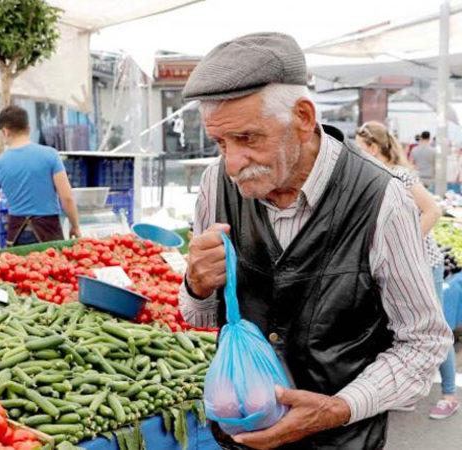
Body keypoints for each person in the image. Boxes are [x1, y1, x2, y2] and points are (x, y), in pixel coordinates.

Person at [178, 32, 452, 449]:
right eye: (220, 142)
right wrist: (196, 285)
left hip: (340, 440)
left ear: (303, 117)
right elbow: (199, 318)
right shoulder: (215, 184)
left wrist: (339, 407)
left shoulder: (381, 198)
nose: (232, 163)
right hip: (241, 437)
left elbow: (424, 342)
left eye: (248, 138)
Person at [355, 122, 458, 420]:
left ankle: (450, 393)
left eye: (361, 150)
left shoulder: (399, 175)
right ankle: (409, 392)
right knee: (401, 326)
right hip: (398, 266)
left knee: (433, 326)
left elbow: (434, 211)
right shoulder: (372, 178)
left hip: (426, 263)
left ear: (374, 148)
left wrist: (405, 246)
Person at [0, 105, 81, 245]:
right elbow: (67, 198)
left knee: (21, 267)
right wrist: (75, 226)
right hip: (48, 232)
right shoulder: (50, 155)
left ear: (5, 132)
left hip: (17, 235)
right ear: (29, 128)